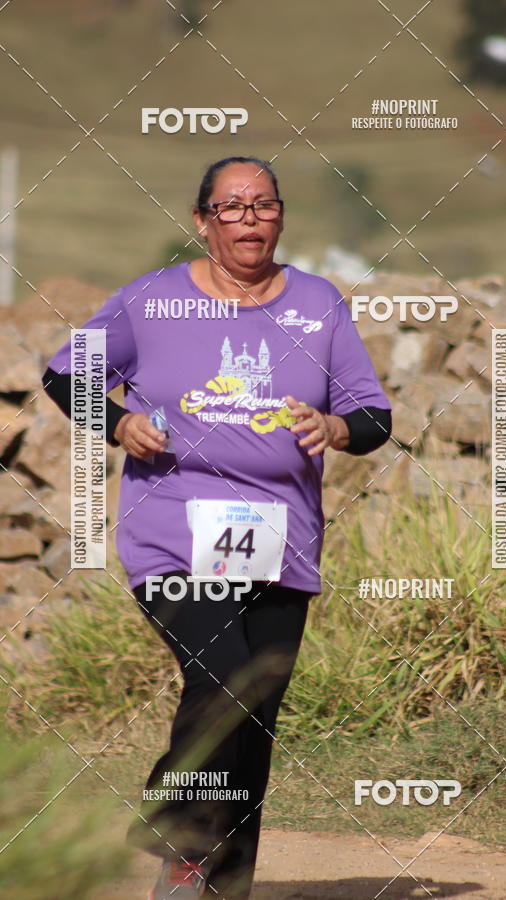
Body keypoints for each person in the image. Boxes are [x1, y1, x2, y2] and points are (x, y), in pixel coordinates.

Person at [42, 156, 391, 899]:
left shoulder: (318, 304)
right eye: (230, 208)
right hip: (174, 529)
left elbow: (372, 415)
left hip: (282, 540)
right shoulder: (153, 301)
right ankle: (178, 826)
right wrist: (120, 420)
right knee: (226, 676)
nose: (248, 219)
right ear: (202, 221)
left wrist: (333, 424)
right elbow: (66, 373)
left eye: (262, 205)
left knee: (254, 718)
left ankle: (220, 885)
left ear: (281, 217)